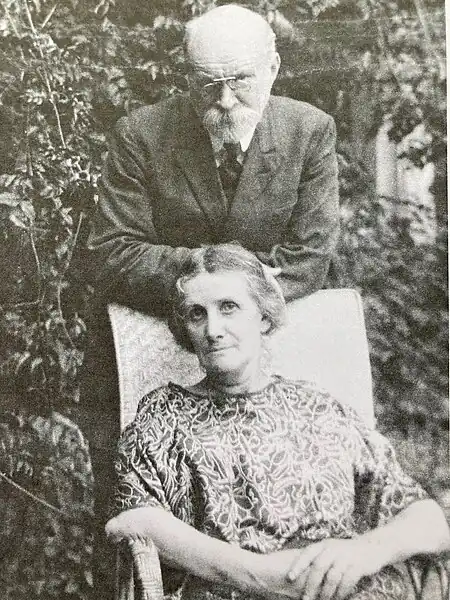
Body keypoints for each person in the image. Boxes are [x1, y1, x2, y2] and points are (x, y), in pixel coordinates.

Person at [84, 6, 339, 597]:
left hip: (266, 355)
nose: (224, 100)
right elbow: (113, 252)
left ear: (273, 67)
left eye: (240, 80)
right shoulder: (142, 134)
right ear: (186, 75)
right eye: (207, 83)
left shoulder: (309, 131)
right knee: (143, 530)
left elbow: (310, 256)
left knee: (280, 507)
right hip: (153, 350)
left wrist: (219, 286)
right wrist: (218, 276)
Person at [106, 244, 449, 600]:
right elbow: (130, 521)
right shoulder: (166, 415)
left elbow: (428, 519)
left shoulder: (318, 407)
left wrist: (365, 552)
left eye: (228, 307)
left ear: (263, 317)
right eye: (197, 314)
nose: (213, 329)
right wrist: (262, 576)